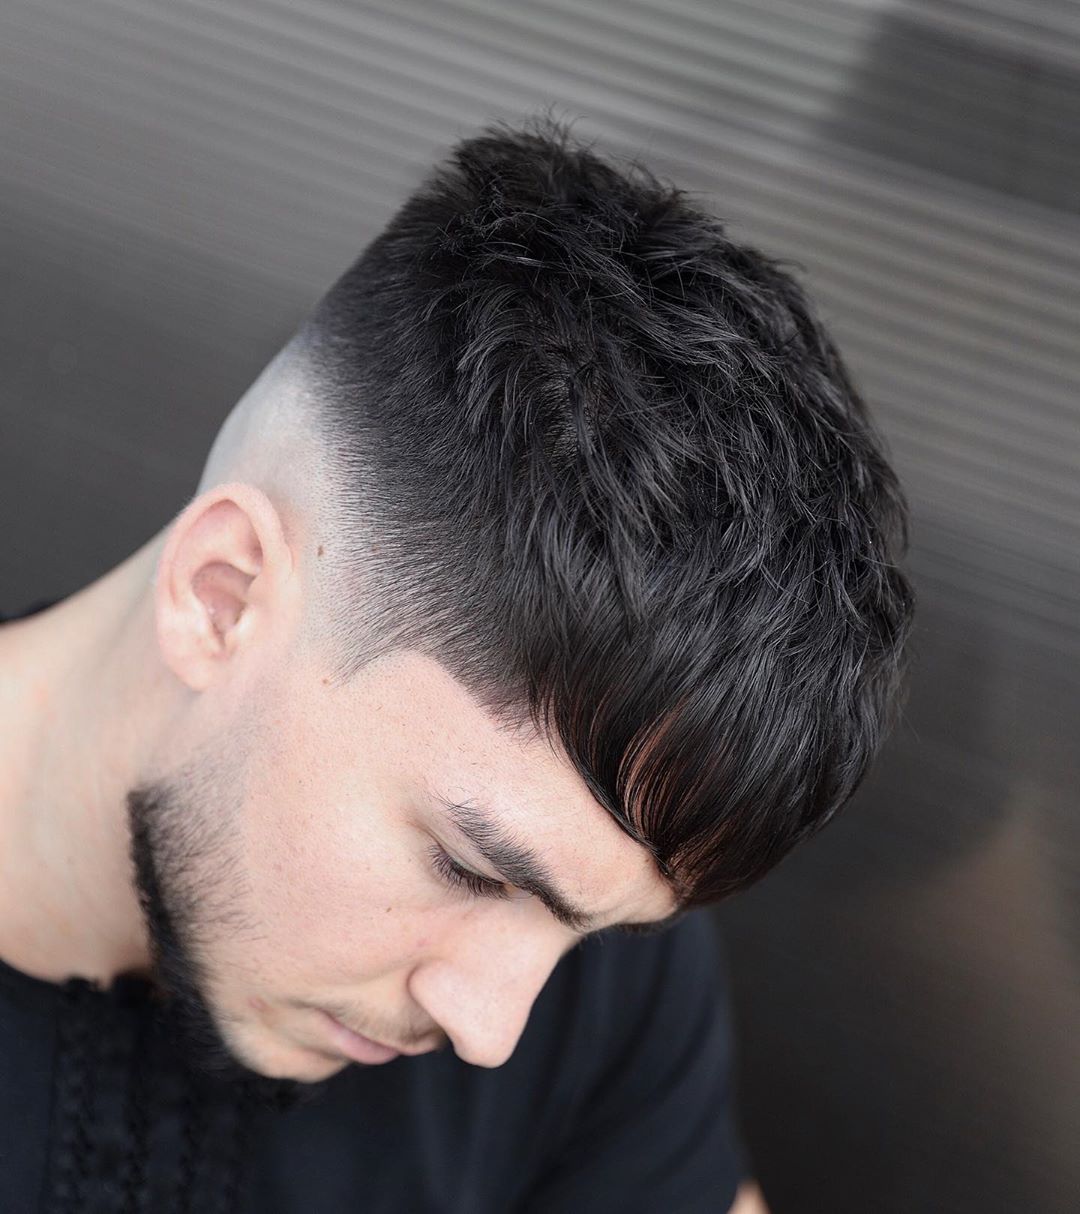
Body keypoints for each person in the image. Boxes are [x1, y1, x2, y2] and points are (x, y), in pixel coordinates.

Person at [0, 115, 913, 1213]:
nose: (490, 1028)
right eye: (470, 869)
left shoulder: (601, 940)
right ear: (222, 597)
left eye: (596, 931)